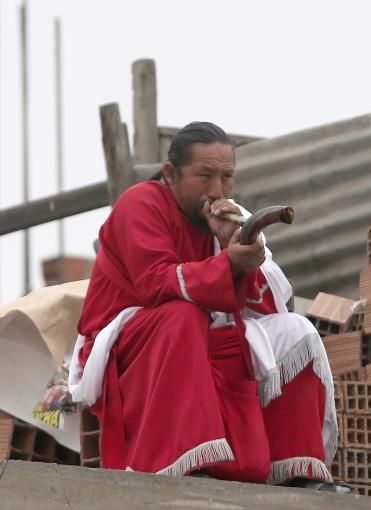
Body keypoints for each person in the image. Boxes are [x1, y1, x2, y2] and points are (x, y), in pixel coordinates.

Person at [68, 122, 339, 489]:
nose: (217, 190)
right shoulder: (140, 203)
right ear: (171, 174)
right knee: (184, 315)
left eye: (227, 177)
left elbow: (271, 305)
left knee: (296, 330)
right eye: (205, 176)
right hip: (128, 344)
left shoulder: (231, 217)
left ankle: (296, 473)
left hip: (198, 333)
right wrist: (229, 263)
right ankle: (182, 462)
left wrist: (234, 251)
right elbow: (155, 283)